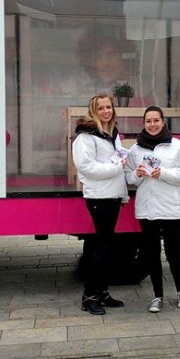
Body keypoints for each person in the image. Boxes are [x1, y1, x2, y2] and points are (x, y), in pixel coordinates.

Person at [125, 106, 180, 313]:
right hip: (147, 209)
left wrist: (163, 173)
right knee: (151, 255)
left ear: (163, 122)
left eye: (156, 120)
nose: (152, 124)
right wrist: (137, 174)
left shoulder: (177, 146)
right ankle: (157, 296)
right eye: (148, 121)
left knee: (174, 253)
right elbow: (128, 177)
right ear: (144, 123)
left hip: (172, 208)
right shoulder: (136, 149)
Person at [72, 93, 129, 315]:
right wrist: (116, 168)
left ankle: (102, 292)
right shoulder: (85, 137)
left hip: (112, 196)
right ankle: (89, 296)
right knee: (102, 248)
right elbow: (87, 168)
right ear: (93, 111)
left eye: (109, 107)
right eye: (101, 108)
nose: (106, 111)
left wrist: (122, 194)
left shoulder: (111, 134)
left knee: (104, 246)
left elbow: (121, 163)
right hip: (98, 198)